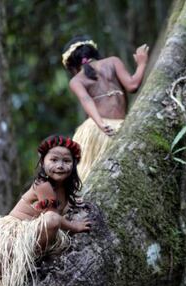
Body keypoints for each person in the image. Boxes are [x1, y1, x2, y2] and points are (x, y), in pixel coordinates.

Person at [0, 135, 92, 286]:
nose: (60, 165)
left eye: (66, 161)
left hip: (34, 233)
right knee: (13, 244)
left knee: (49, 224)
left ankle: (28, 260)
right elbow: (53, 217)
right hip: (16, 230)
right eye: (54, 160)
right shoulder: (42, 185)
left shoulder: (65, 188)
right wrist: (75, 226)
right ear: (43, 162)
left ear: (74, 164)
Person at [62, 35, 149, 181]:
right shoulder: (113, 61)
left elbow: (86, 100)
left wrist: (101, 124)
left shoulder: (76, 80)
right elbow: (132, 85)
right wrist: (141, 63)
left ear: (72, 65)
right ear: (93, 52)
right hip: (106, 128)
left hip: (103, 128)